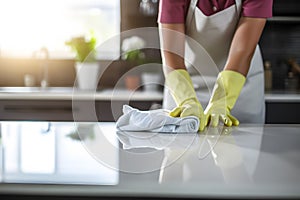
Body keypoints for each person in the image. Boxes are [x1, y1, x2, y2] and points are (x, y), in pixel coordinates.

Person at [158, 0, 273, 131]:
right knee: (181, 150)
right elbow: (173, 54)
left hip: (239, 89)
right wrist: (186, 101)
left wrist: (222, 101)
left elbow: (242, 51)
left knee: (241, 147)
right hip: (186, 83)